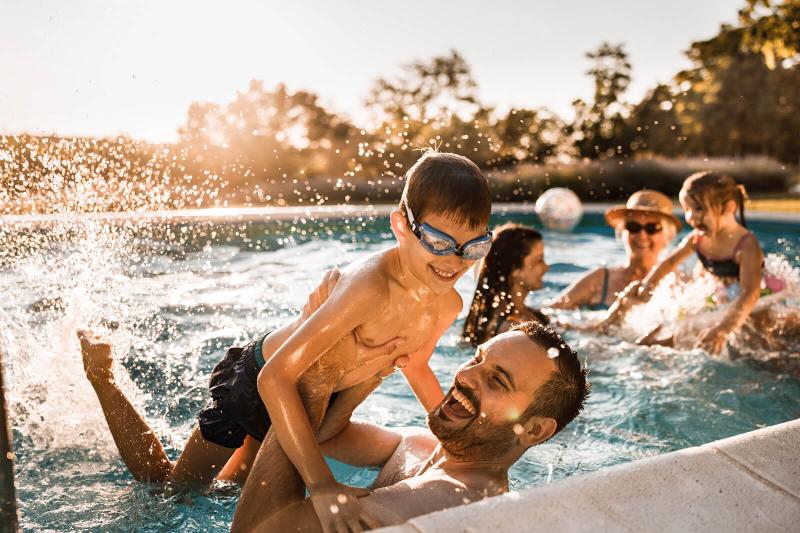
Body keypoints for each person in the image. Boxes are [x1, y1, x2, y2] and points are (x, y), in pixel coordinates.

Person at [80, 151, 494, 532]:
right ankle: (102, 376)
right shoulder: (369, 286)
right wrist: (323, 484)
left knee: (232, 489)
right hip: (257, 382)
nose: (453, 262)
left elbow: (415, 365)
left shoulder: (446, 304)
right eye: (439, 243)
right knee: (173, 490)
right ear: (401, 225)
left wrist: (458, 439)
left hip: (312, 401)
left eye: (473, 247)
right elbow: (275, 378)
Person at [234, 321, 590, 532]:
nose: (464, 376)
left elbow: (257, 530)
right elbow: (326, 437)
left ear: (535, 431)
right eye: (477, 359)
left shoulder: (448, 501)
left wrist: (315, 372)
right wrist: (376, 361)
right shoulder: (423, 446)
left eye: (497, 380)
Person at [602, 172, 768, 354]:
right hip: (725, 292)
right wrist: (649, 284)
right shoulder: (697, 239)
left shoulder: (746, 246)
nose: (691, 217)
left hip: (760, 296)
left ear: (728, 208)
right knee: (687, 325)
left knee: (760, 341)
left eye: (698, 209)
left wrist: (722, 330)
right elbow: (670, 262)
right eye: (687, 209)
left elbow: (750, 293)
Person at [548, 190, 680, 311]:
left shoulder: (678, 284)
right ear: (622, 232)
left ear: (668, 236)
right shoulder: (600, 279)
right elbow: (549, 313)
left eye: (652, 228)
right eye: (633, 227)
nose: (642, 235)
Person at [462, 224, 549, 346]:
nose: (546, 267)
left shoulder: (530, 313)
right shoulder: (508, 330)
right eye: (539, 260)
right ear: (515, 271)